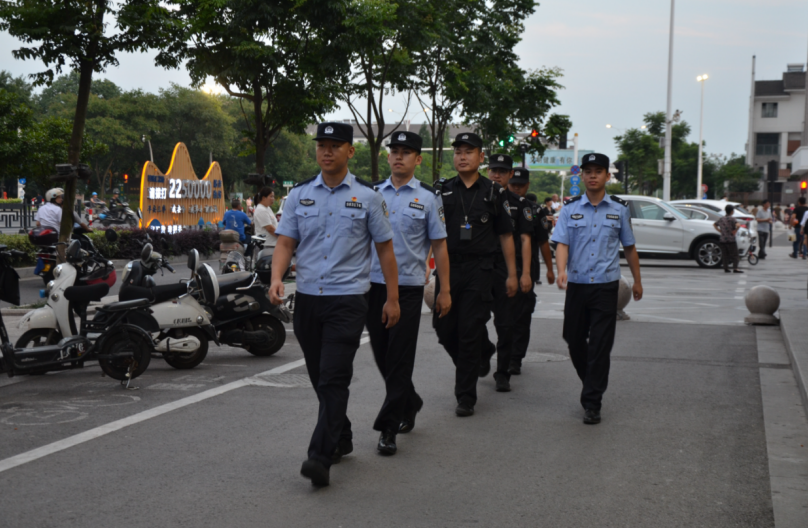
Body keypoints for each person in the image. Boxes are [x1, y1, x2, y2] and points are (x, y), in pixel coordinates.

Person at [268, 122, 400, 487]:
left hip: (348, 300)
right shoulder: (298, 195)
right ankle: (341, 435)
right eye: (321, 145)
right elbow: (285, 242)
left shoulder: (368, 197)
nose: (326, 151)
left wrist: (392, 298)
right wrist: (277, 277)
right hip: (308, 299)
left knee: (333, 377)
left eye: (335, 146)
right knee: (318, 376)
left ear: (350, 151)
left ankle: (320, 457)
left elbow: (385, 250)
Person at [366, 130, 450, 456]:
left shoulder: (429, 197)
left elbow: (440, 246)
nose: (398, 156)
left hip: (410, 288)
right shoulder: (372, 193)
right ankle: (410, 400)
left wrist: (444, 290)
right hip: (373, 285)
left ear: (418, 159)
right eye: (394, 151)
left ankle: (389, 428)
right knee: (382, 356)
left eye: (406, 152)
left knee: (399, 358)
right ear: (388, 157)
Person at [551, 153, 642, 425]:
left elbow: (629, 247)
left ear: (607, 176)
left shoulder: (619, 209)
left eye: (598, 171)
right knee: (573, 339)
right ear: (581, 176)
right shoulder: (569, 209)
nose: (592, 175)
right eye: (588, 171)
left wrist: (637, 280)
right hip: (577, 285)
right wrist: (561, 270)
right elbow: (562, 243)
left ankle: (592, 402)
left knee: (601, 345)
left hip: (606, 286)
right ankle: (591, 380)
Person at [432, 132, 517, 417]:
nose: (462, 157)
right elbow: (430, 232)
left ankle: (465, 396)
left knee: (468, 330)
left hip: (480, 270)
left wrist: (512, 274)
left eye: (469, 152)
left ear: (481, 157)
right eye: (458, 152)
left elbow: (506, 235)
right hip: (447, 268)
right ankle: (483, 350)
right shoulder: (442, 190)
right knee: (443, 328)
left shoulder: (494, 192)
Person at [480, 154, 533, 392]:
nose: (496, 175)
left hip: (506, 268)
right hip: (479, 266)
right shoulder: (477, 197)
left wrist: (524, 273)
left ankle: (502, 372)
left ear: (510, 174)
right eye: (493, 170)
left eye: (502, 171)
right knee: (473, 319)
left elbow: (525, 239)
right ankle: (483, 351)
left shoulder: (519, 204)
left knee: (506, 324)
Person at [508, 170, 554, 375]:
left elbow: (543, 242)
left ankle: (515, 358)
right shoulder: (499, 206)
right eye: (513, 184)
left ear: (527, 185)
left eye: (521, 184)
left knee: (522, 315)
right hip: (500, 268)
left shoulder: (536, 210)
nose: (516, 187)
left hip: (526, 269)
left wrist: (550, 269)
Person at [714, 204, 742, 273]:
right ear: (732, 211)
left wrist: (720, 230)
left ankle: (726, 268)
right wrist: (736, 230)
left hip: (723, 239)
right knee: (735, 254)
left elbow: (714, 224)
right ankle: (735, 268)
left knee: (725, 255)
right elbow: (738, 225)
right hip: (731, 239)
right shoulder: (732, 218)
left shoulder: (721, 218)